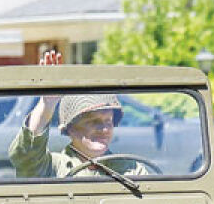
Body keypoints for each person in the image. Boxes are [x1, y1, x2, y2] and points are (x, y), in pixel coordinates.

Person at [8, 49, 152, 178]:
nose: (105, 129)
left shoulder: (130, 170)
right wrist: (47, 103)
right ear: (71, 128)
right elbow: (26, 155)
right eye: (93, 121)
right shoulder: (53, 168)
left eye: (108, 121)